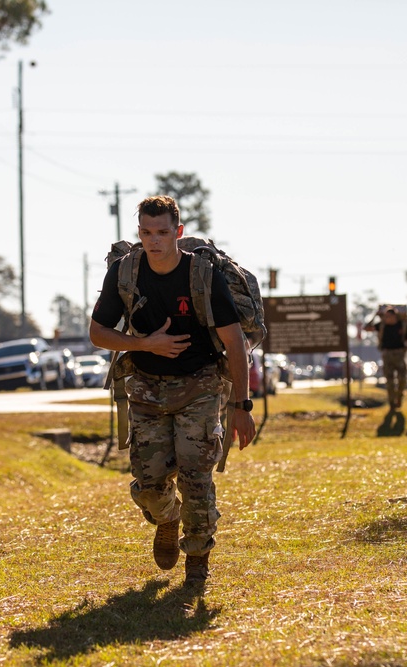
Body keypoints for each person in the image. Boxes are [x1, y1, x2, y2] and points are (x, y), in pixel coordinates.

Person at [89, 195, 256, 588]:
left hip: (199, 386)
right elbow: (98, 334)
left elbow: (235, 344)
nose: (154, 240)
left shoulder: (202, 275)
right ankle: (166, 518)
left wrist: (242, 406)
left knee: (196, 478)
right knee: (148, 487)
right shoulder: (124, 273)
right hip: (146, 388)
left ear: (177, 232)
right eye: (146, 232)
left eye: (162, 232)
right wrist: (147, 344)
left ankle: (197, 558)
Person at [365, 306, 407, 410]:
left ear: (394, 316)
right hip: (387, 355)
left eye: (389, 316)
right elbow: (367, 328)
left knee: (402, 379)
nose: (387, 318)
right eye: (385, 316)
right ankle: (392, 402)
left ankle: (399, 396)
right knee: (389, 381)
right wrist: (375, 315)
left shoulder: (402, 326)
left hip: (400, 355)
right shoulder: (381, 325)